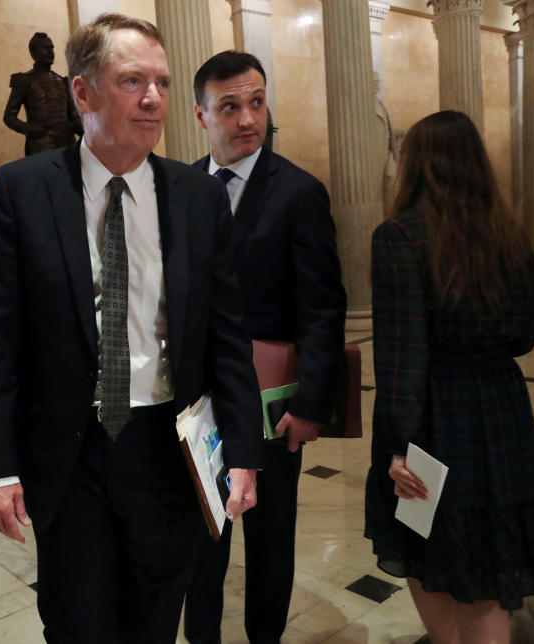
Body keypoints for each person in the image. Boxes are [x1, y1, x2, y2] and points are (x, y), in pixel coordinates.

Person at [0, 14, 264, 643]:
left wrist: (242, 452)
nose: (153, 98)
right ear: (83, 94)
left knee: (154, 620)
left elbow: (226, 338)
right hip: (69, 451)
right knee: (77, 623)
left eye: (160, 81)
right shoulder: (24, 190)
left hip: (167, 446)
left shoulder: (196, 196)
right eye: (132, 81)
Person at [365, 110, 534, 643]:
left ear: (416, 166)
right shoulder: (510, 237)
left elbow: (401, 362)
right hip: (503, 416)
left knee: (424, 548)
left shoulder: (399, 238)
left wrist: (395, 449)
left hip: (434, 423)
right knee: (487, 570)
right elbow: (526, 335)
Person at [185, 51, 347, 644]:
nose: (247, 118)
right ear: (202, 115)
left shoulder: (299, 193)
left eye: (256, 102)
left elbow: (324, 308)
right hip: (197, 405)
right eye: (229, 106)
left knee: (271, 536)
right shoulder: (178, 190)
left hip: (272, 400)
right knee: (203, 537)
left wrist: (309, 406)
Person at [3, 32, 83, 156]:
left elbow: (74, 115)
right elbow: (9, 117)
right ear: (33, 52)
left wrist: (88, 136)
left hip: (67, 144)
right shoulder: (24, 80)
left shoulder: (63, 81)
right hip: (40, 146)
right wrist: (31, 130)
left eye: (51, 48)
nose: (50, 52)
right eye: (45, 48)